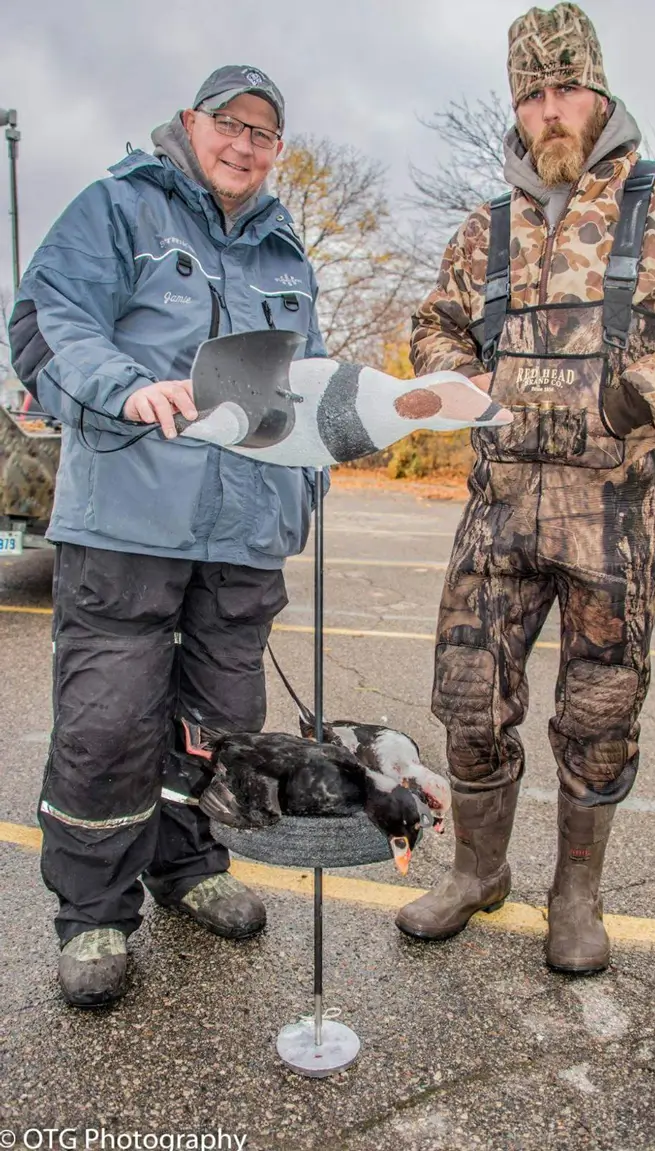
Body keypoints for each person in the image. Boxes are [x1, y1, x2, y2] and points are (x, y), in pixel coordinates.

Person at [396, 3, 655, 973]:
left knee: (598, 714)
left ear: (598, 91)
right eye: (533, 93)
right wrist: (452, 379)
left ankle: (576, 894)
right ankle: (476, 870)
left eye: (567, 89)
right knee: (468, 697)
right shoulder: (486, 226)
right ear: (518, 104)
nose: (551, 109)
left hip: (613, 517)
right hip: (498, 509)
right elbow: (435, 326)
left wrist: (643, 391)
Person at [9, 66, 326, 1007]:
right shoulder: (120, 207)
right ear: (191, 124)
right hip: (130, 520)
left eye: (263, 135)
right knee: (110, 718)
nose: (244, 145)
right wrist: (122, 386)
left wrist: (309, 480)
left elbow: (304, 392)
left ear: (277, 150)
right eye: (229, 124)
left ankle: (191, 866)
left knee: (222, 722)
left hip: (242, 533)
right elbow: (43, 320)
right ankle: (96, 912)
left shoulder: (287, 253)